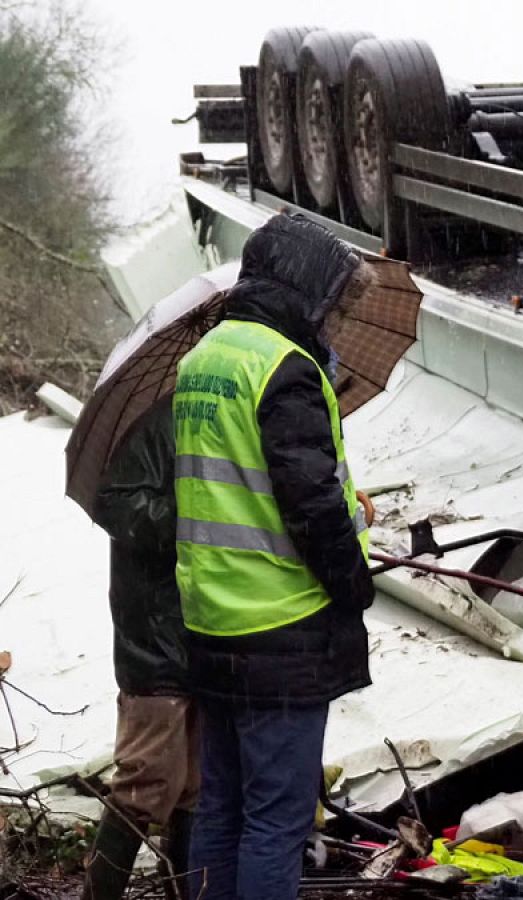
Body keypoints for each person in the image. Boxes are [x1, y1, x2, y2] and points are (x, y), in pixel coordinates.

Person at [174, 214, 375, 900]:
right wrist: (355, 583)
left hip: (211, 623)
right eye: (334, 302)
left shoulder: (204, 359)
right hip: (281, 630)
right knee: (275, 823)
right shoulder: (283, 368)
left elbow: (241, 483)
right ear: (304, 289)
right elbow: (312, 507)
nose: (335, 319)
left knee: (221, 809)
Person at [83, 400, 196, 900]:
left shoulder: (216, 421)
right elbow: (118, 506)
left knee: (196, 782)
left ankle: (189, 890)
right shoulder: (158, 427)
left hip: (204, 636)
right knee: (146, 779)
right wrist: (195, 509)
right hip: (155, 640)